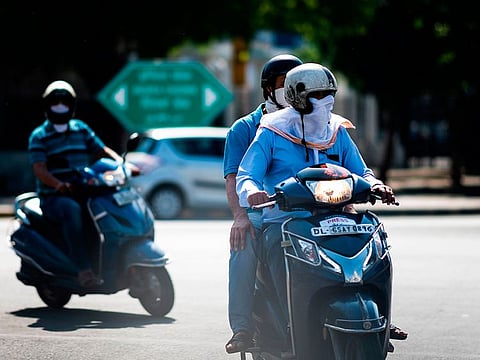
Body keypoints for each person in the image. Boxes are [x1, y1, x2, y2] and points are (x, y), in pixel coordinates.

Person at [236, 62, 406, 350]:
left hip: (338, 218)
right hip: (286, 220)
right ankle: (289, 324)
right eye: (318, 94)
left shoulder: (336, 130)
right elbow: (246, 174)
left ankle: (380, 317)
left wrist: (376, 185)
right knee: (276, 245)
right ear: (297, 96)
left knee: (374, 241)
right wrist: (251, 191)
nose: (325, 100)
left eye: (329, 92)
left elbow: (362, 171)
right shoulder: (271, 131)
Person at [223, 54, 303, 354]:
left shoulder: (308, 123)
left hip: (309, 210)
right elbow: (234, 178)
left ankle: (374, 318)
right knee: (242, 245)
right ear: (269, 89)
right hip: (261, 212)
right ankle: (242, 327)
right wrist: (240, 217)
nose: (294, 90)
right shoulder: (245, 128)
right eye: (286, 84)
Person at [28, 80, 131, 288]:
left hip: (83, 189)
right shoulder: (39, 136)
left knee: (103, 208)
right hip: (55, 197)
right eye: (55, 101)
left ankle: (109, 264)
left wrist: (121, 164)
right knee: (72, 210)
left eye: (64, 101)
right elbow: (39, 169)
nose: (60, 105)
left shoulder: (80, 129)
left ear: (72, 104)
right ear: (47, 105)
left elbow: (102, 151)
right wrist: (58, 184)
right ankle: (83, 269)